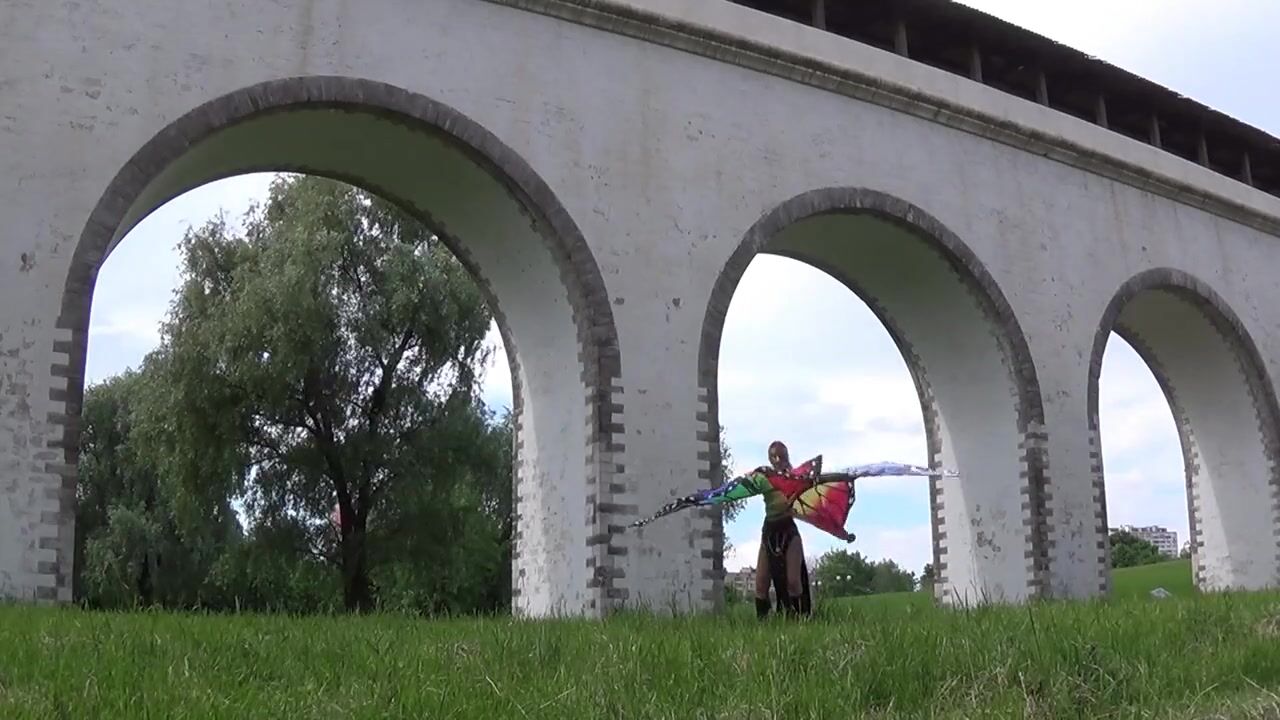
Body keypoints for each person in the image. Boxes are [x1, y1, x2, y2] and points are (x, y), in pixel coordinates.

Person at [754, 440, 812, 619]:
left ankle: (799, 619)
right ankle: (762, 623)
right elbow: (746, 486)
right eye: (774, 457)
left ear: (787, 457)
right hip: (769, 529)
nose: (778, 460)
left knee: (793, 581)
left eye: (781, 456)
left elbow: (809, 500)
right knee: (761, 583)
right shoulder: (764, 477)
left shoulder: (795, 478)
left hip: (788, 529)